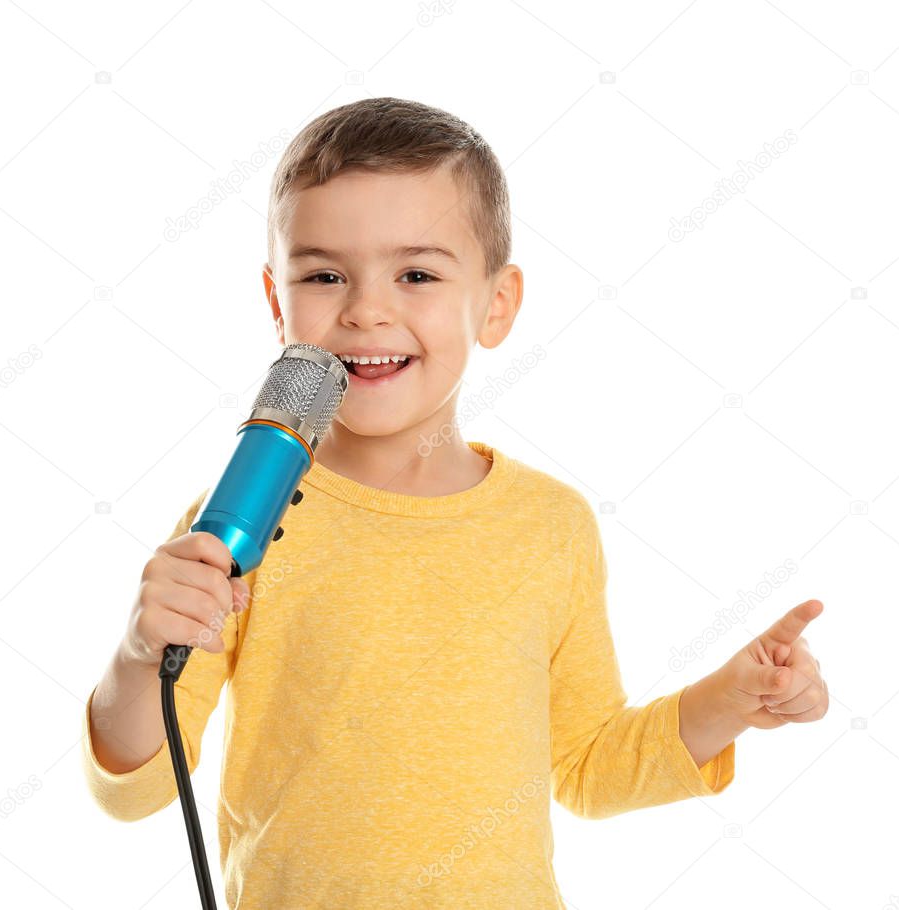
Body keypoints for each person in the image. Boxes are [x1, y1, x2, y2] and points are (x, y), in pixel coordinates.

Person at [81, 96, 829, 908]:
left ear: (496, 303)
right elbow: (134, 788)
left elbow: (585, 767)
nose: (367, 309)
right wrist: (137, 655)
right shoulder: (232, 527)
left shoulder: (549, 526)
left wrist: (727, 702)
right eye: (325, 274)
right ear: (275, 302)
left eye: (416, 274)